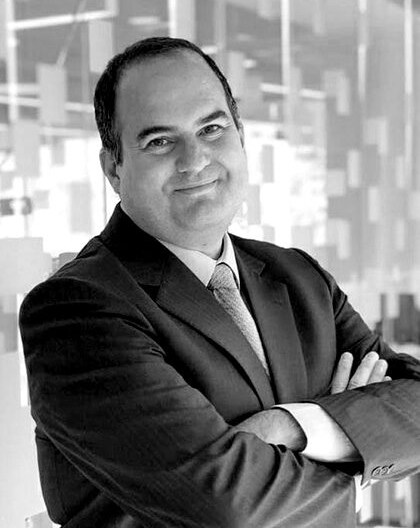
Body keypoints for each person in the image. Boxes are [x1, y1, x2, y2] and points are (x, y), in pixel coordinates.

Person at [19, 37, 420, 528]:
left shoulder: (299, 277)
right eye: (159, 141)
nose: (194, 160)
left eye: (211, 129)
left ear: (240, 136)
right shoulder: (75, 309)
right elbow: (227, 508)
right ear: (114, 168)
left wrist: (293, 426)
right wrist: (356, 452)